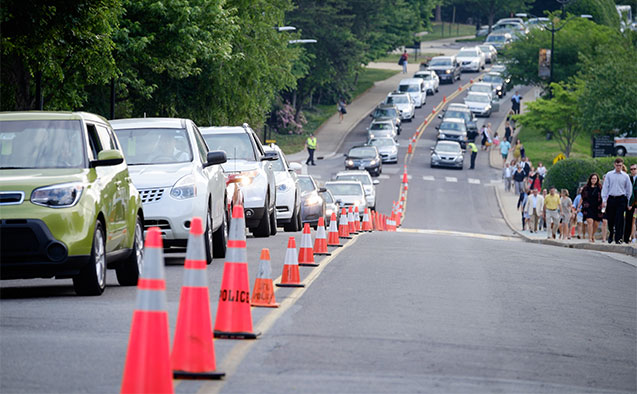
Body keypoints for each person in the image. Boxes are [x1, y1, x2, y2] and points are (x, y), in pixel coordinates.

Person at [601, 157, 633, 244]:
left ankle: (618, 238)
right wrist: (604, 200)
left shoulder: (625, 176)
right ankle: (611, 233)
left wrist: (628, 201)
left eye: (620, 165)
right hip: (611, 198)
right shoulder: (609, 174)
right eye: (617, 165)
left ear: (622, 165)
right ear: (614, 165)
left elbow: (628, 189)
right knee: (610, 218)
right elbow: (605, 187)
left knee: (620, 218)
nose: (618, 167)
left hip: (621, 199)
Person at [581, 173, 603, 243]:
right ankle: (590, 237)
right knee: (590, 221)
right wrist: (579, 206)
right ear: (590, 179)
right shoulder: (586, 188)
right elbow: (582, 197)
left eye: (595, 179)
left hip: (597, 207)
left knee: (596, 223)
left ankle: (593, 235)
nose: (593, 180)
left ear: (597, 180)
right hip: (588, 206)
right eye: (592, 178)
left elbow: (603, 196)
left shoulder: (600, 187)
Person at [623, 163, 637, 243]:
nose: (633, 171)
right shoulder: (628, 178)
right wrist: (630, 204)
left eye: (634, 169)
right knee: (628, 220)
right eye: (631, 169)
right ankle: (626, 238)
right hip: (630, 203)